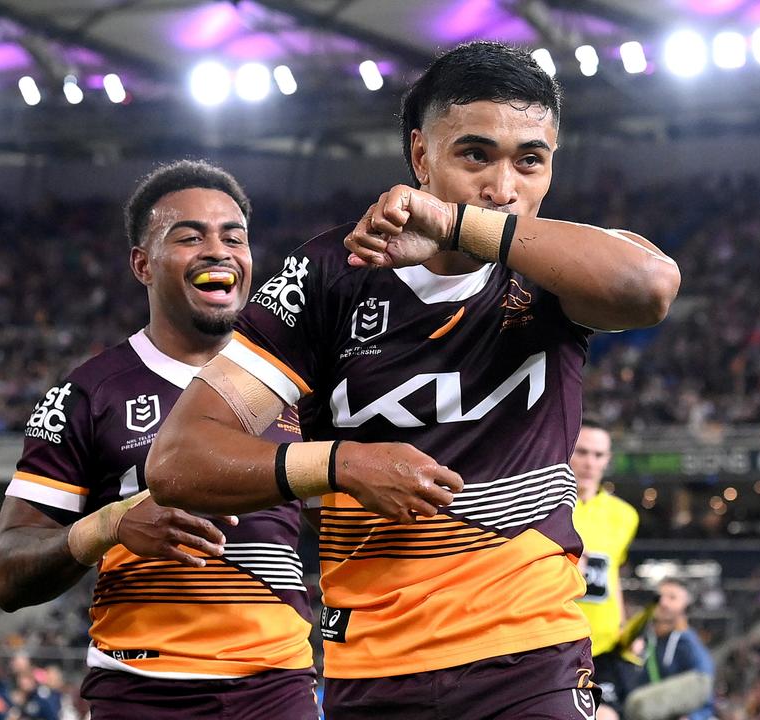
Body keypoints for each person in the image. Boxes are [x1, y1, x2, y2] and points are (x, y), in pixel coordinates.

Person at [146, 41, 681, 719]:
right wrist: (341, 464)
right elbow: (178, 458)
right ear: (421, 155)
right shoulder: (329, 276)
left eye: (531, 161)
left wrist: (458, 223)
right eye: (475, 155)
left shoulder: (555, 265)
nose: (505, 187)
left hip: (529, 655)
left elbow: (650, 287)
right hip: (370, 668)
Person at [0, 161, 317, 718]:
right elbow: (5, 573)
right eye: (190, 237)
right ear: (143, 263)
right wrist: (108, 524)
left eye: (233, 237)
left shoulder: (300, 381)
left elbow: (339, 527)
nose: (218, 250)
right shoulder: (87, 394)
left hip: (276, 691)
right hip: (139, 691)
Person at [571, 417, 640, 719]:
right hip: (555, 640)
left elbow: (613, 575)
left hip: (605, 647)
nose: (590, 462)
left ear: (607, 460)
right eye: (582, 452)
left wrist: (625, 627)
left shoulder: (624, 515)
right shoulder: (545, 508)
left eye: (598, 455)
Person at [620, 579, 715, 720]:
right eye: (659, 597)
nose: (663, 603)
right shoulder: (643, 641)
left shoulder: (688, 643)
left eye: (672, 598)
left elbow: (703, 689)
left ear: (686, 606)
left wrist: (694, 717)